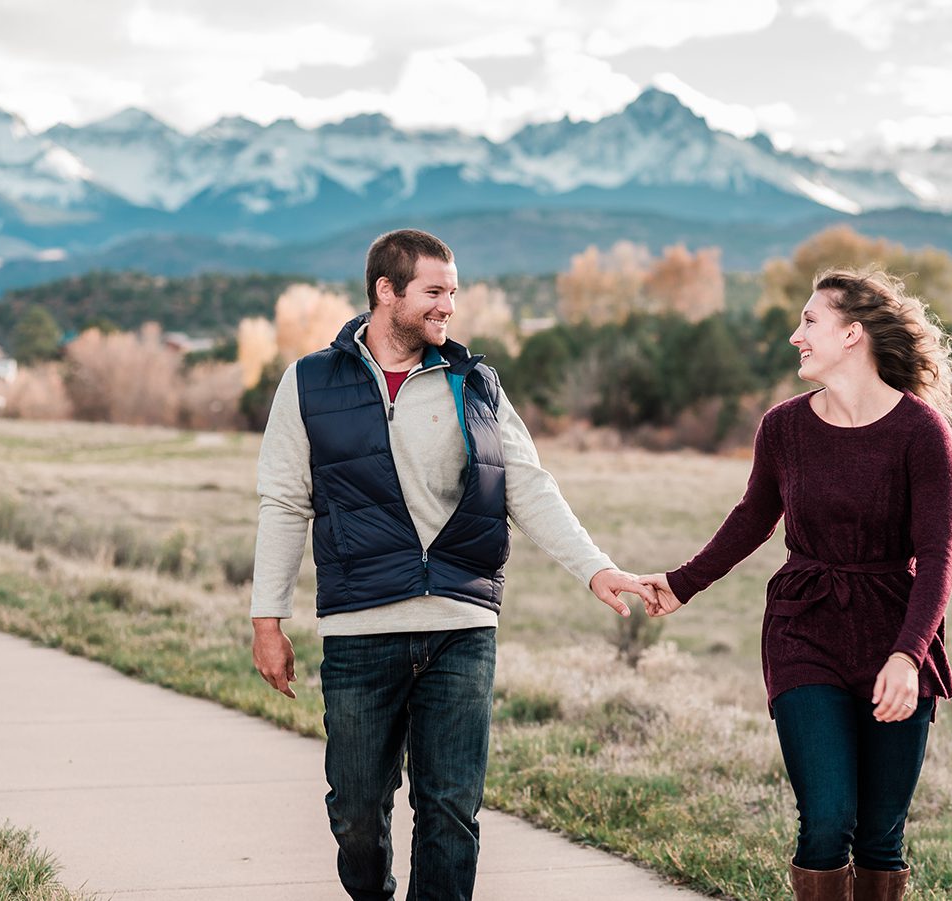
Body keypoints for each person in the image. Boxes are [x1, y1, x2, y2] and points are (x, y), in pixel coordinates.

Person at [249, 228, 652, 901]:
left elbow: (526, 482)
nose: (449, 308)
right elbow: (285, 502)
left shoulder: (476, 383)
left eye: (453, 293)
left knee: (450, 810)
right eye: (435, 292)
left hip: (461, 624)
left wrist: (595, 567)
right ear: (387, 290)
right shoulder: (310, 383)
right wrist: (269, 619)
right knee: (355, 811)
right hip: (359, 627)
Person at [640, 267, 952, 901]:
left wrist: (907, 655)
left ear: (853, 335)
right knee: (827, 819)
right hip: (804, 628)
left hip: (893, 634)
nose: (796, 335)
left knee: (879, 836)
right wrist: (682, 584)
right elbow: (753, 517)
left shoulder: (921, 433)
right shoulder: (784, 427)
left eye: (810, 321)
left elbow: (939, 556)